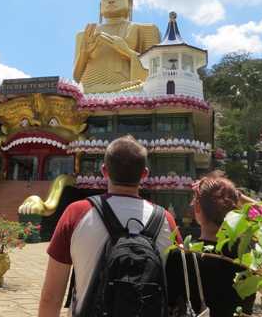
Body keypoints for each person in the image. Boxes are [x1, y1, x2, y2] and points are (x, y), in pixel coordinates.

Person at [38, 135, 179, 317]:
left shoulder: (77, 213)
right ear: (144, 174)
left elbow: (51, 296)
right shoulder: (166, 220)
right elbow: (177, 293)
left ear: (104, 171)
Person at [166, 176, 256, 317]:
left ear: (197, 208)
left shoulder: (182, 256)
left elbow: (169, 303)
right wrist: (238, 196)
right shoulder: (246, 254)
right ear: (235, 208)